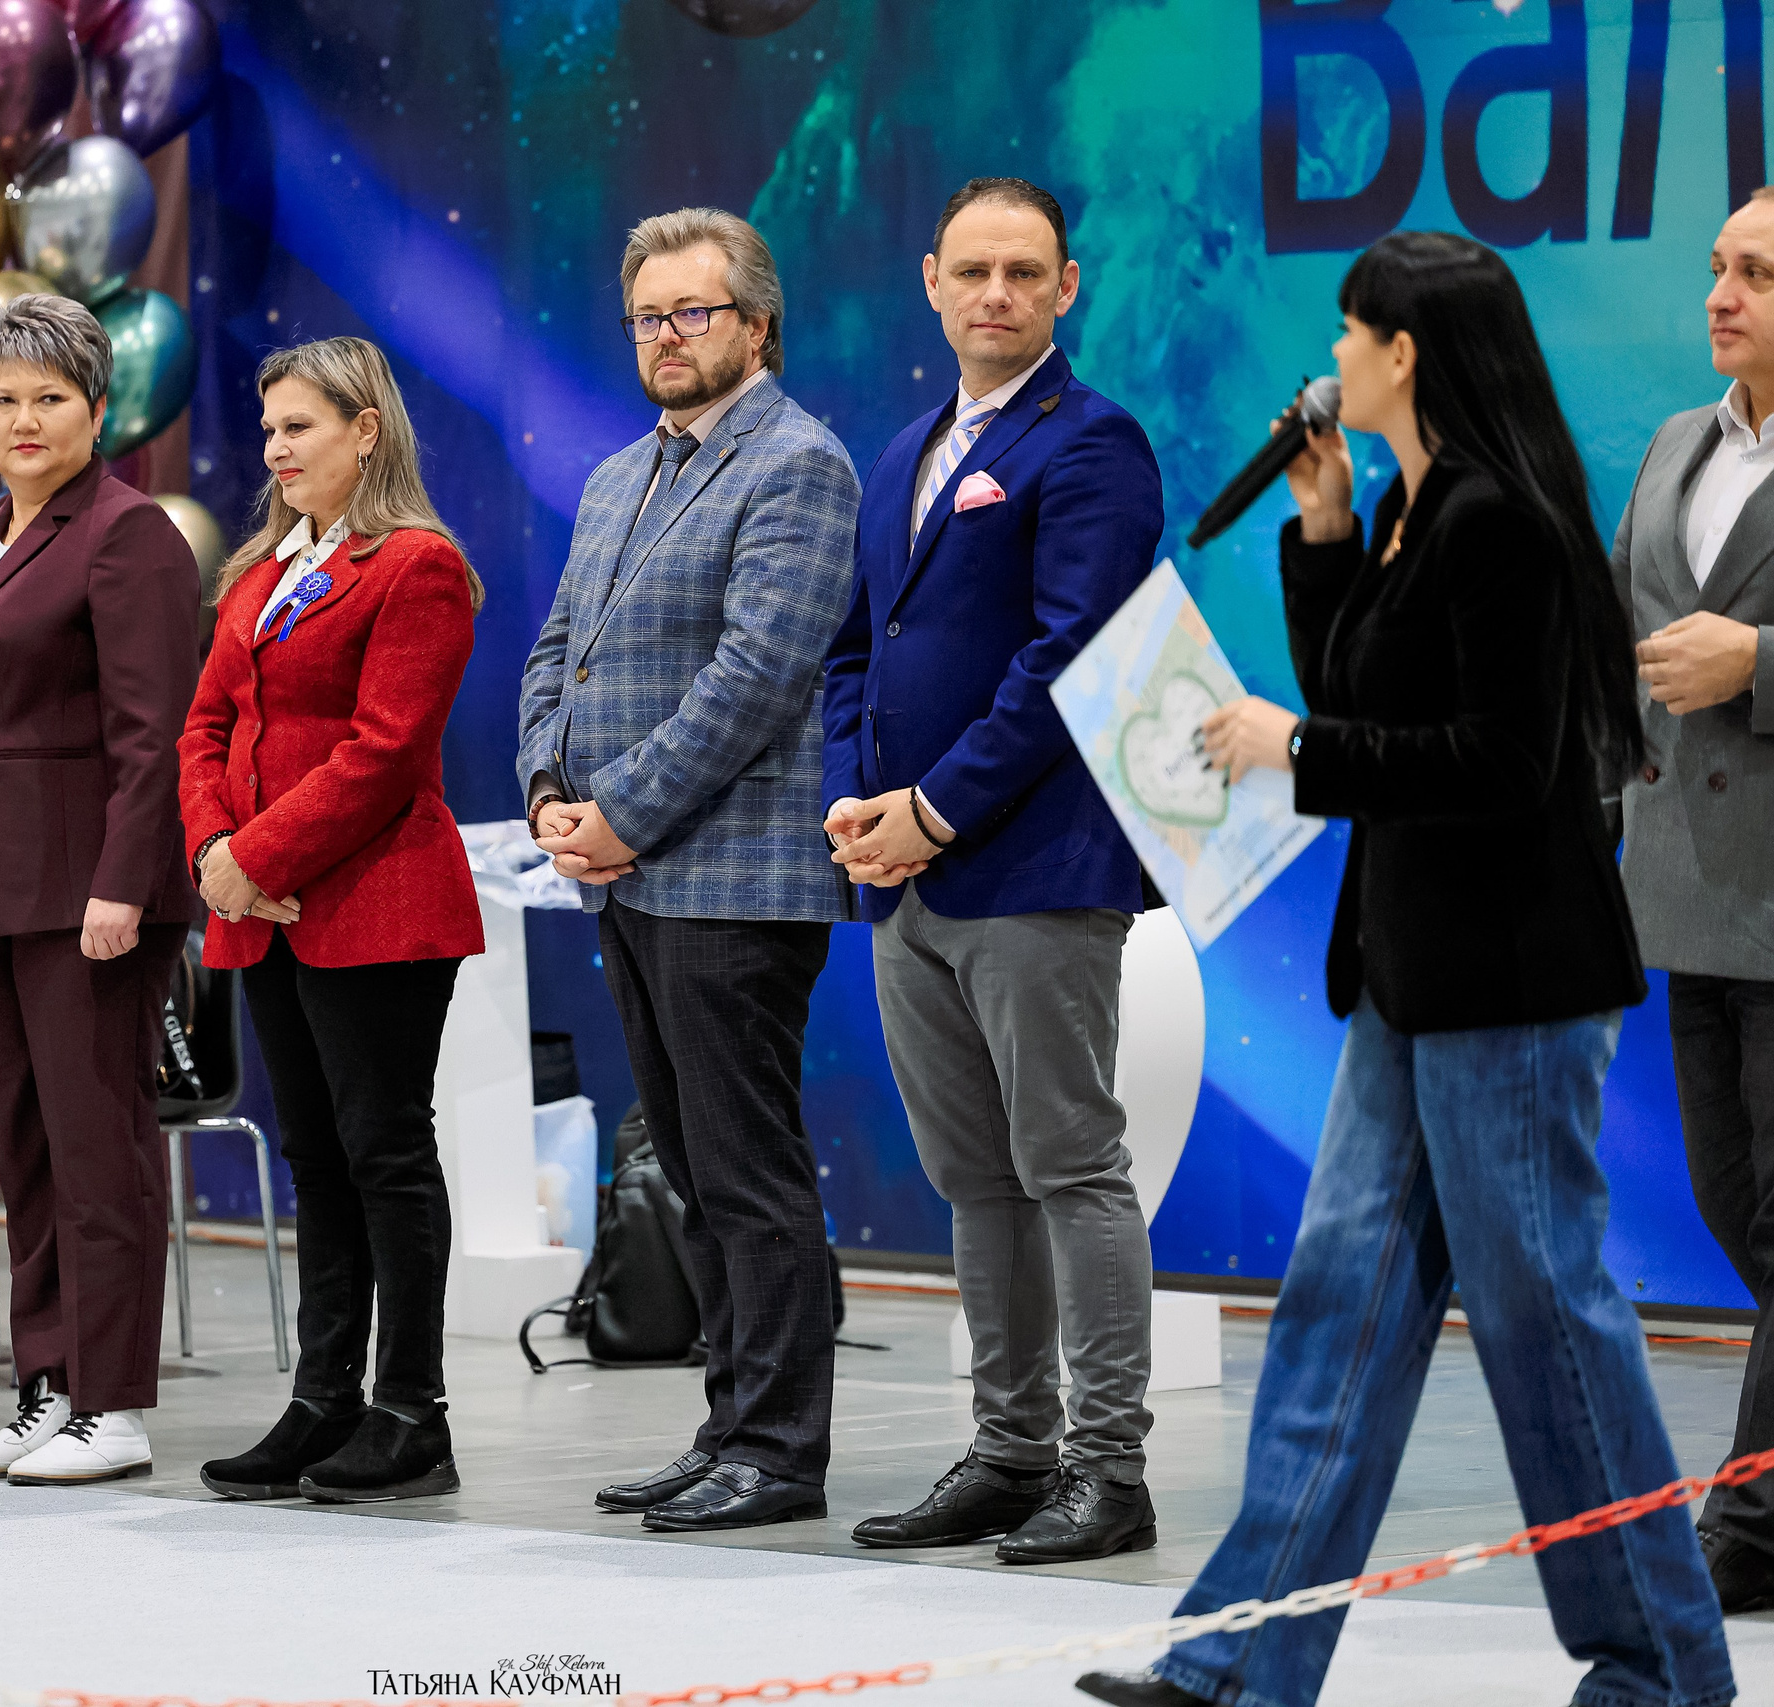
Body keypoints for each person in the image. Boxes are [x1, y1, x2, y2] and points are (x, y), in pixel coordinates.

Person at [1079, 233, 1731, 1707]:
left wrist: (1291, 750)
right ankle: (1244, 1652)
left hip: (1509, 982)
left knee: (1546, 1316)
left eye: (1350, 329)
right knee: (1340, 1306)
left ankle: (1664, 1662)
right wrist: (1317, 538)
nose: (1333, 353)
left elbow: (1500, 763)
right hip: (1407, 974)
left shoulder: (1502, 520)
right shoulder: (1404, 509)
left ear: (1407, 350)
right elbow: (1363, 701)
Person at [819, 178, 1165, 1563]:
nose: (998, 294)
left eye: (1026, 272)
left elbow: (1069, 656)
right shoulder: (907, 446)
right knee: (977, 1181)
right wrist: (856, 800)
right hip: (905, 876)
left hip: (1033, 866)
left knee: (1072, 1165)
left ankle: (1107, 1467)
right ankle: (1010, 1449)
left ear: (1067, 288)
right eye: (974, 270)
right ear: (931, 279)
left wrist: (936, 810)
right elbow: (856, 648)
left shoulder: (1095, 441)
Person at [519, 208, 858, 1533]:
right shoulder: (617, 477)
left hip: (735, 877)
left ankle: (779, 1448)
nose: (666, 336)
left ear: (756, 325)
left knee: (747, 1171)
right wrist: (553, 792)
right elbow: (559, 650)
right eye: (648, 316)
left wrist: (625, 811)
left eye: (692, 313)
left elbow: (760, 676)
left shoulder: (800, 465)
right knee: (694, 1170)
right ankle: (727, 1422)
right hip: (629, 875)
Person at [0, 295, 199, 1486]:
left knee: (98, 1144)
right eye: (4, 397)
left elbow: (151, 734)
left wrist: (123, 885)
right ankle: (44, 1388)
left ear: (97, 410)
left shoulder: (130, 535)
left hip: (89, 898)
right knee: (25, 1149)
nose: (23, 418)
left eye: (49, 399)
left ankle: (114, 1407)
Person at [182, 336, 484, 1504]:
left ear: (366, 430)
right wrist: (217, 856)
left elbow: (384, 751)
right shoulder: (261, 573)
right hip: (262, 907)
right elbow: (202, 728)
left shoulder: (416, 567)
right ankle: (324, 1400)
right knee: (315, 1161)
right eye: (268, 430)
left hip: (376, 903)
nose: (276, 448)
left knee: (384, 1154)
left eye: (299, 426)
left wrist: (252, 856)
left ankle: (415, 1412)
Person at [1610, 186, 1774, 1616]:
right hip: (1682, 894)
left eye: (1759, 275)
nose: (1721, 294)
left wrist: (1763, 663)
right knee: (1739, 1206)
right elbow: (1621, 650)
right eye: (1720, 267)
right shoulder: (1677, 442)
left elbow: (1728, 655)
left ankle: (1756, 1522)